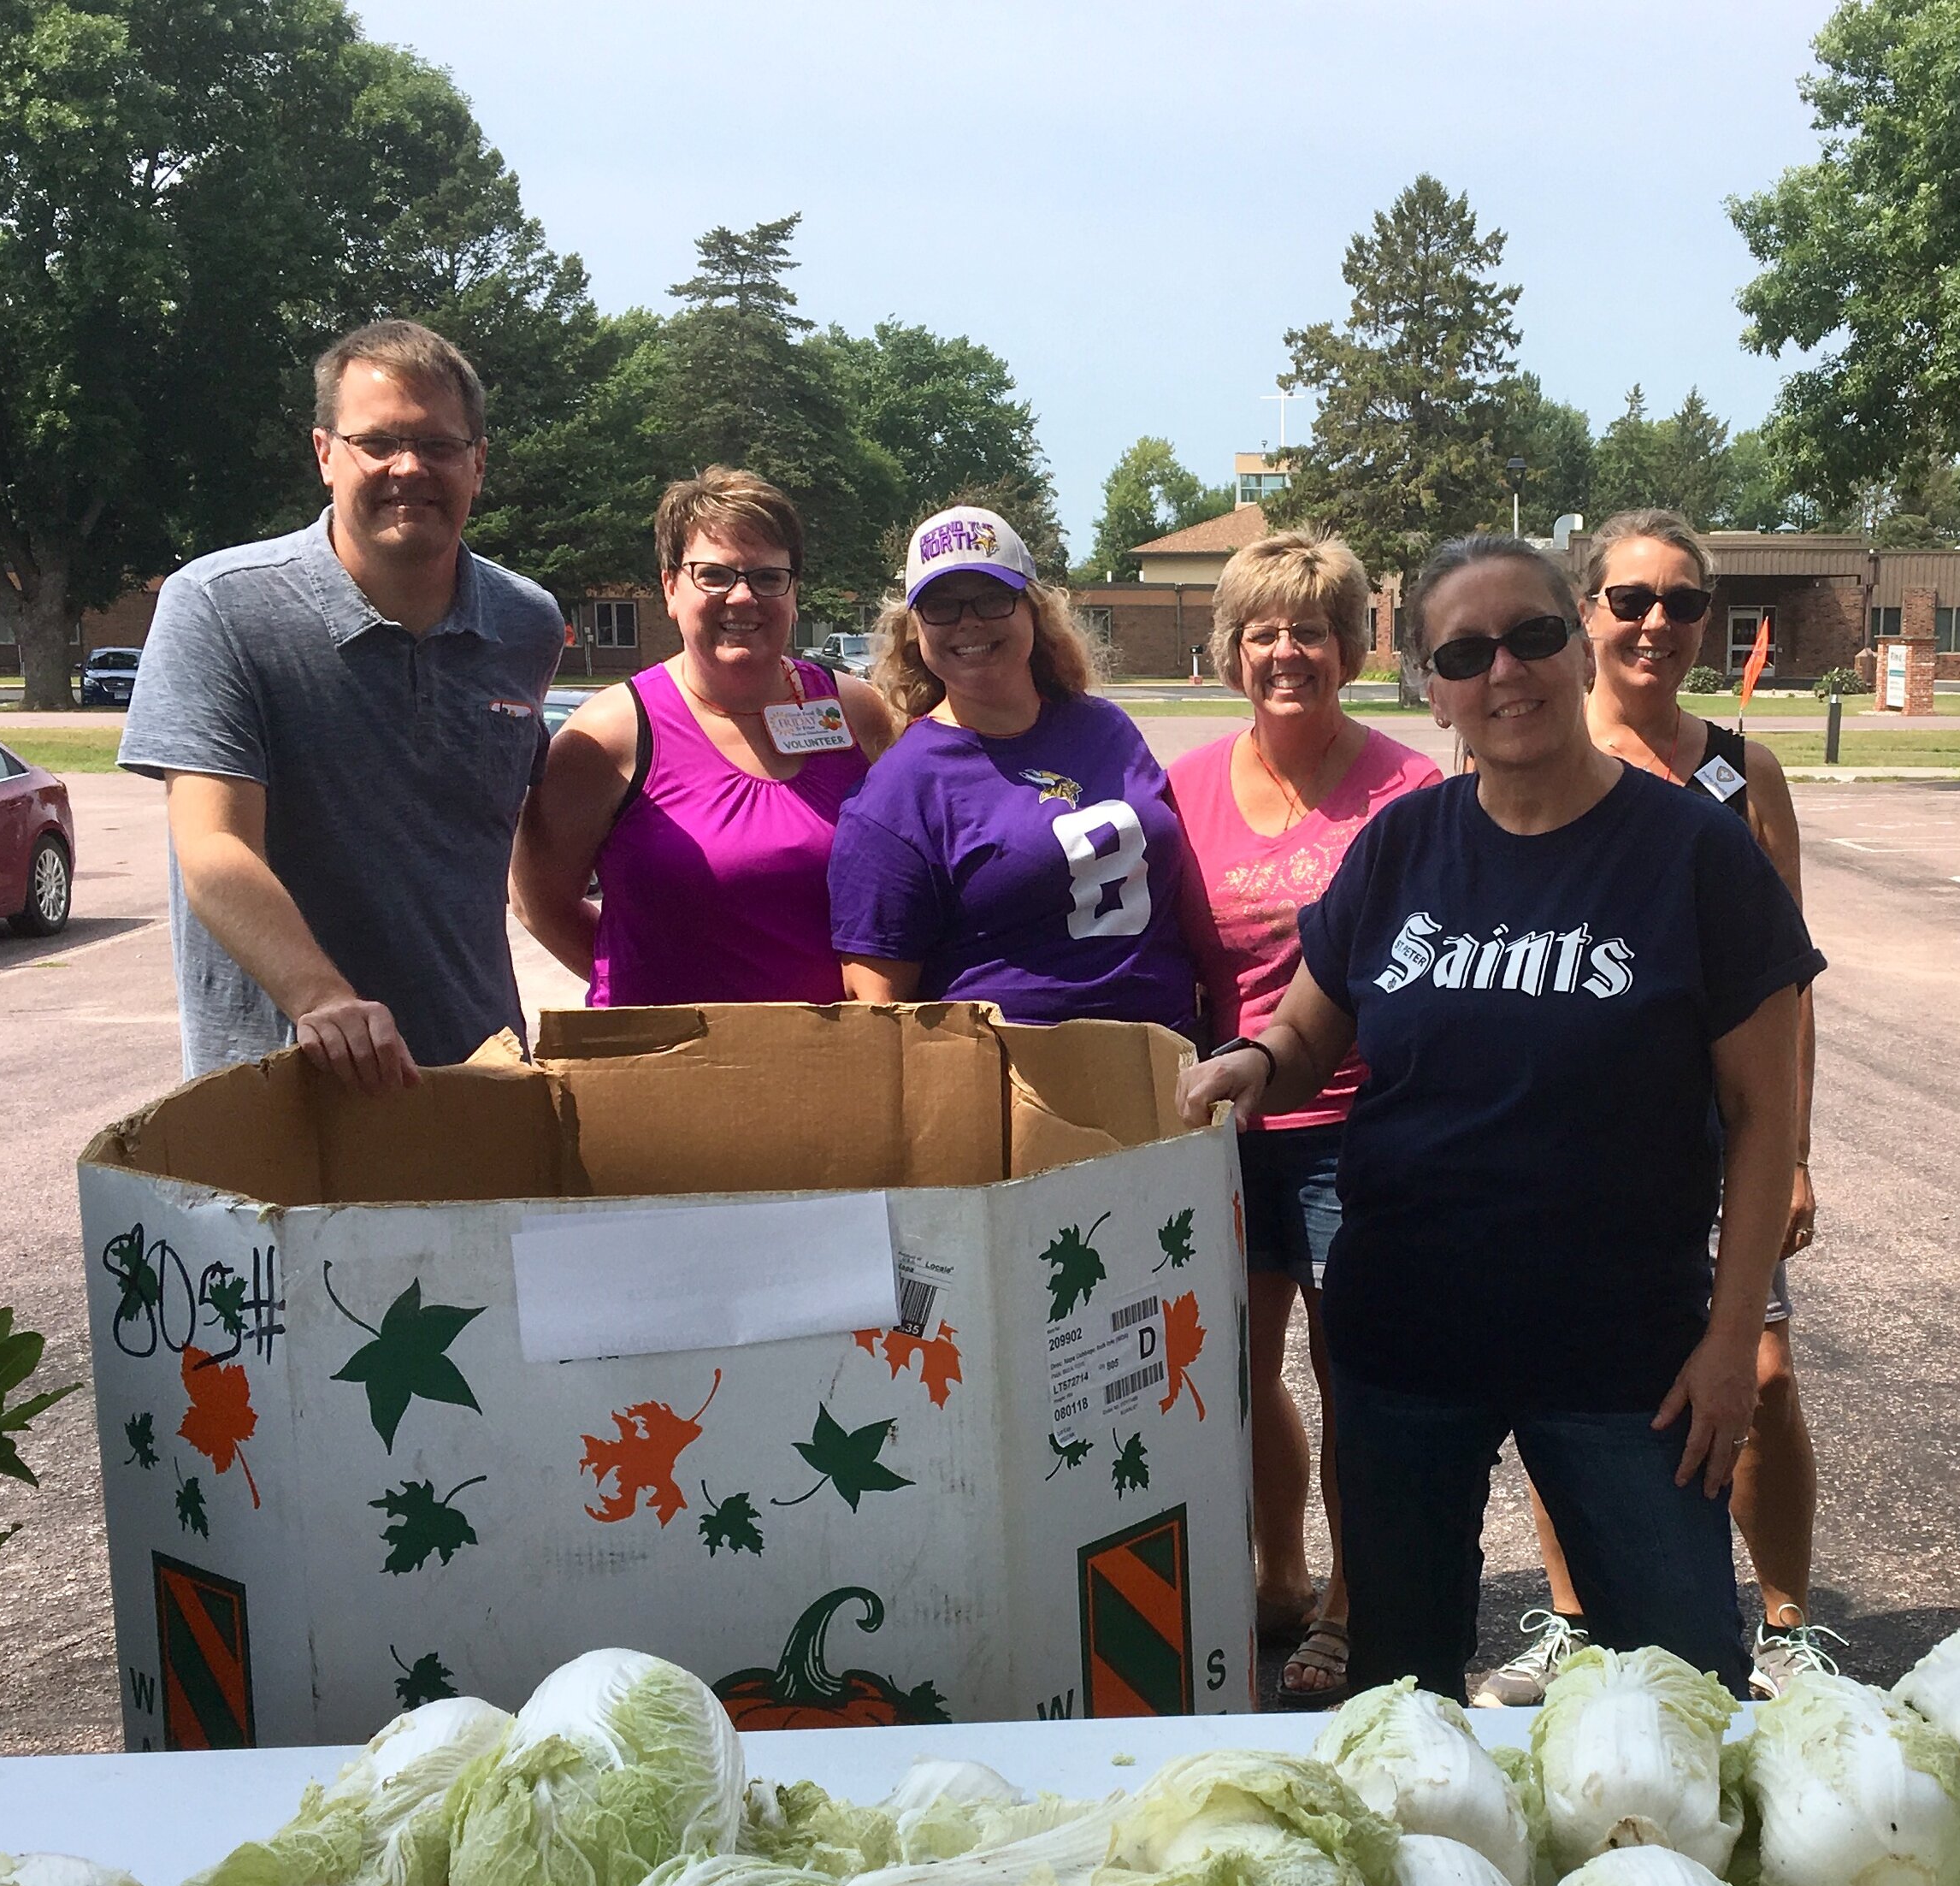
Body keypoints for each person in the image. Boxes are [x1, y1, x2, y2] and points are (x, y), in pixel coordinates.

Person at [1178, 535, 1825, 1704]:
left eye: (1531, 637)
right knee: (1406, 1686)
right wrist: (1248, 1063)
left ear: (1577, 648)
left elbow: (1763, 1107)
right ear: (1433, 689)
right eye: (1465, 653)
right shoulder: (1403, 847)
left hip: (1625, 1355)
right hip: (1408, 1339)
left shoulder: (1694, 855)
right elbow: (1311, 1032)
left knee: (1686, 1680)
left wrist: (1733, 1344)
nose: (1505, 672)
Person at [1472, 509, 1827, 1706]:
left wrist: (1794, 1158)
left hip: (1721, 1131)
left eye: (1680, 604)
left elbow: (1787, 991)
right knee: (1561, 1367)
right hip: (1579, 1131)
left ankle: (1785, 1622)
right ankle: (1574, 1614)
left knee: (1762, 1374)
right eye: (1629, 600)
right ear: (1585, 616)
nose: (1654, 625)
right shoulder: (1524, 751)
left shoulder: (1738, 771)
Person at [121, 320, 565, 1091]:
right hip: (281, 1085)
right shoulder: (222, 607)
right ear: (325, 453)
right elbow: (215, 849)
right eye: (378, 442)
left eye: (439, 445)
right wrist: (323, 1000)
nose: (409, 467)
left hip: (477, 1074)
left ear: (478, 463)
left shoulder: (525, 623)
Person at [1166, 529, 1441, 1704]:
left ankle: (1346, 1599)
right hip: (1225, 1130)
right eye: (1264, 631)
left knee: (1353, 1375)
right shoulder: (1181, 791)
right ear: (1233, 653)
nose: (1287, 652)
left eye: (1312, 629)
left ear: (1351, 647)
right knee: (1225, 1370)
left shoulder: (1412, 792)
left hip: (1360, 1128)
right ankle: (1279, 1573)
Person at [510, 467, 894, 1005]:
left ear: (794, 592)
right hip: (675, 1069)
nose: (742, 598)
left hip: (834, 1063)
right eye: (713, 575)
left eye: (767, 577)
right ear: (670, 587)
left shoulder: (854, 711)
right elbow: (536, 901)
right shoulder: (607, 737)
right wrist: (641, 992)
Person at [829, 505, 1195, 1032]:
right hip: (1016, 1084)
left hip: (1169, 1063)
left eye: (992, 597)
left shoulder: (1105, 727)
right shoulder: (898, 793)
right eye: (942, 606)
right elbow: (880, 1008)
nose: (969, 621)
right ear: (914, 629)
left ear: (1032, 610)